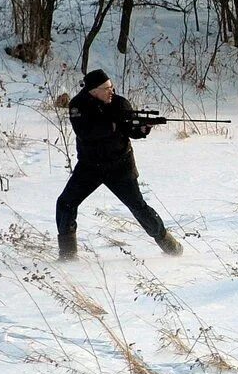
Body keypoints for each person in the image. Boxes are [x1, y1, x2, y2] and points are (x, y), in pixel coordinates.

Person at [55, 69, 183, 261]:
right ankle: (67, 255)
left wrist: (142, 129)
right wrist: (114, 125)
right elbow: (86, 132)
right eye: (106, 88)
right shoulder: (78, 105)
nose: (111, 91)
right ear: (93, 91)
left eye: (112, 87)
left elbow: (132, 131)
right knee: (65, 203)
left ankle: (168, 244)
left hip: (120, 166)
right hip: (90, 166)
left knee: (138, 207)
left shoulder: (120, 103)